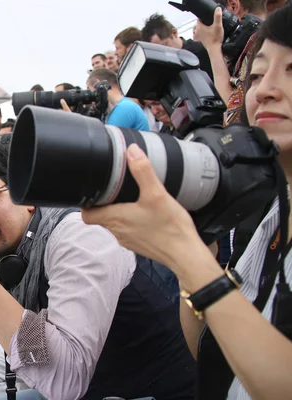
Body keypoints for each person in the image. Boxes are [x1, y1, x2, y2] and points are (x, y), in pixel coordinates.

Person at [81, 6, 292, 398]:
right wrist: (195, 252)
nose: (264, 90)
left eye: (291, 70)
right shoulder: (276, 217)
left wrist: (184, 252)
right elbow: (207, 348)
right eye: (258, 74)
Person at [0, 141, 195, 399]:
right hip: (100, 377)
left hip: (151, 388)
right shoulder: (6, 246)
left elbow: (66, 379)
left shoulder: (80, 235)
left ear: (26, 196)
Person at [141, 13, 214, 80]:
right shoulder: (163, 70)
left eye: (165, 46)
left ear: (174, 33)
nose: (163, 54)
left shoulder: (202, 50)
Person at [85, 68, 150, 130]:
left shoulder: (124, 108)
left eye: (89, 89)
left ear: (97, 84)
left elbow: (108, 140)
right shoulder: (123, 106)